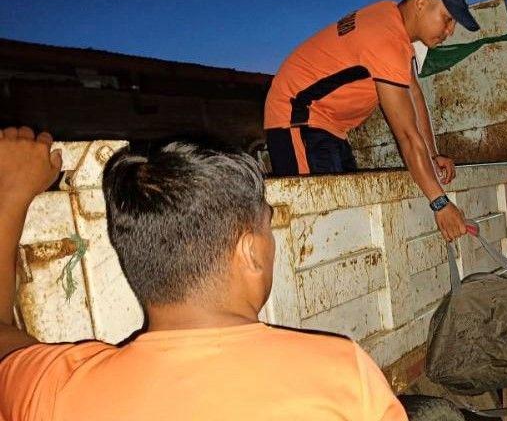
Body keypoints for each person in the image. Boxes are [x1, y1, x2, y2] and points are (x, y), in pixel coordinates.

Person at [0, 126, 406, 420]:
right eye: (268, 224)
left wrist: (12, 194)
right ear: (250, 252)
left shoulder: (58, 390)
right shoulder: (341, 372)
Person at [265, 0, 480, 242]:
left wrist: (432, 155)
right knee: (317, 228)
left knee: (347, 215)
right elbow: (404, 133)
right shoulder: (384, 38)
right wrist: (440, 203)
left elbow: (414, 95)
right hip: (295, 117)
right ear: (421, 1)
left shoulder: (392, 21)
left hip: (330, 126)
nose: (450, 30)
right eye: (448, 18)